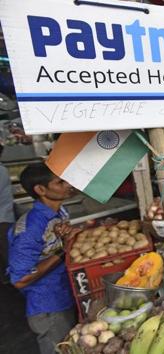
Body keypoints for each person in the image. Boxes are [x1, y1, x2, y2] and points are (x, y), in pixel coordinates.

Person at [8, 163, 80, 354]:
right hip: (48, 306)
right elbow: (20, 279)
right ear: (41, 190)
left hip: (64, 293)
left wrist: (68, 237)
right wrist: (62, 252)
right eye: (60, 182)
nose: (68, 185)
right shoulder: (30, 228)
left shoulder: (59, 212)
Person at [0, 142, 16, 283]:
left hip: (3, 219)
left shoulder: (1, 170)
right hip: (3, 217)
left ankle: (13, 282)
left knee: (6, 251)